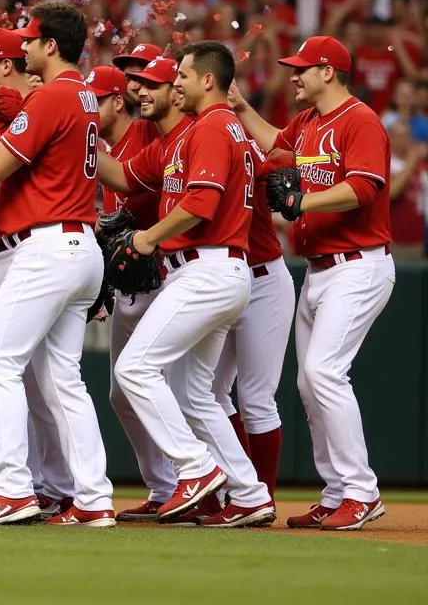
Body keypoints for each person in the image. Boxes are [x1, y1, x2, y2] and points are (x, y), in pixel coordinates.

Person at [0, 3, 115, 527]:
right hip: (80, 245)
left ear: (51, 46)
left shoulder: (53, 95)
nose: (22, 48)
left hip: (47, 247)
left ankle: (13, 490)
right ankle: (93, 497)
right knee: (63, 378)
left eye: (30, 40)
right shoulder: (84, 94)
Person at [102, 43, 274, 527]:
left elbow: (200, 204)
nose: (176, 82)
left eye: (182, 75)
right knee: (198, 396)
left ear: (207, 81)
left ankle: (194, 469)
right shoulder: (192, 133)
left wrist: (145, 239)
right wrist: (80, 129)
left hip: (209, 266)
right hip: (213, 269)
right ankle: (250, 494)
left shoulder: (216, 127)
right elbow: (122, 174)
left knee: (135, 368)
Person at [230, 35, 394, 532]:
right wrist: (240, 108)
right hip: (320, 269)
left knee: (323, 372)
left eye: (304, 69)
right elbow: (279, 147)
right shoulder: (306, 123)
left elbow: (364, 188)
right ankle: (336, 491)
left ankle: (361, 491)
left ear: (330, 72)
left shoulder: (360, 120)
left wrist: (304, 203)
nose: (294, 76)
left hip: (359, 263)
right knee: (308, 381)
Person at [87, 59, 177, 520]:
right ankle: (165, 487)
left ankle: (192, 482)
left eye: (93, 100)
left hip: (168, 276)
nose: (87, 107)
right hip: (131, 282)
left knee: (180, 389)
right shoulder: (102, 145)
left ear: (116, 101)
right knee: (123, 392)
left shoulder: (146, 133)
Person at [212, 137, 295, 505]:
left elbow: (285, 159)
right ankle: (239, 489)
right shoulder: (194, 140)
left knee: (256, 398)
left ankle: (261, 497)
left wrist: (273, 162)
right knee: (208, 391)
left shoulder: (235, 141)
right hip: (223, 281)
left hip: (264, 280)